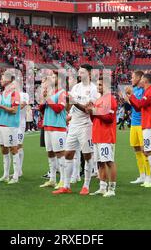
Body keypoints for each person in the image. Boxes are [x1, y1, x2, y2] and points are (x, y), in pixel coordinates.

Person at [54, 64, 98, 195]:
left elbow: (87, 109)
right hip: (73, 124)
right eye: (79, 72)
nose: (80, 74)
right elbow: (71, 106)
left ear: (89, 74)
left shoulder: (93, 89)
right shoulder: (76, 87)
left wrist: (73, 101)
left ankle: (86, 185)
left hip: (85, 125)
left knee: (87, 155)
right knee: (68, 154)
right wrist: (68, 102)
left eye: (83, 72)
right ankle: (66, 185)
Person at [126, 73, 151, 188]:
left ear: (145, 81)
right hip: (147, 125)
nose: (140, 81)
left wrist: (131, 95)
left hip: (150, 125)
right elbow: (137, 107)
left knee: (149, 152)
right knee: (148, 151)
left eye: (141, 79)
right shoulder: (148, 91)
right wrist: (131, 97)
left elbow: (140, 104)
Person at [88, 77, 118, 197]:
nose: (98, 87)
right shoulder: (99, 100)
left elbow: (109, 118)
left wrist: (95, 111)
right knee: (100, 163)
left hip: (106, 136)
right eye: (98, 85)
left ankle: (112, 188)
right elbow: (94, 119)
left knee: (109, 162)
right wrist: (91, 111)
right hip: (97, 135)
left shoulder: (110, 99)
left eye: (100, 85)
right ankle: (102, 187)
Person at [39, 73, 67, 189]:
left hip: (58, 127)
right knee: (50, 153)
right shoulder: (50, 92)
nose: (51, 79)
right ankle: (52, 180)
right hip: (48, 126)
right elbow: (42, 109)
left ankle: (63, 180)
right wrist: (43, 99)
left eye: (54, 77)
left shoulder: (63, 93)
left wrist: (48, 99)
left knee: (60, 153)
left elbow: (58, 109)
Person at [0, 71, 21, 185]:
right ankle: (5, 175)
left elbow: (14, 110)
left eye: (2, 78)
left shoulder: (15, 93)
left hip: (10, 125)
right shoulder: (3, 93)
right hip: (0, 123)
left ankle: (15, 175)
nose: (0, 80)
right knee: (3, 149)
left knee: (13, 149)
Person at [127, 71, 150, 185]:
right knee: (136, 149)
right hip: (134, 123)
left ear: (139, 78)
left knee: (144, 150)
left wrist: (130, 97)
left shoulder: (143, 91)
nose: (131, 79)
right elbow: (132, 105)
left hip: (142, 123)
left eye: (132, 77)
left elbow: (138, 107)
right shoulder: (135, 90)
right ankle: (142, 175)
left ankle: (148, 175)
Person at [17, 88, 30, 177]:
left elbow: (22, 105)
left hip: (20, 124)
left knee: (18, 145)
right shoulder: (10, 95)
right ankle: (16, 169)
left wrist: (9, 108)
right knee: (12, 147)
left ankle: (19, 170)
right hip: (11, 123)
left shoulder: (24, 95)